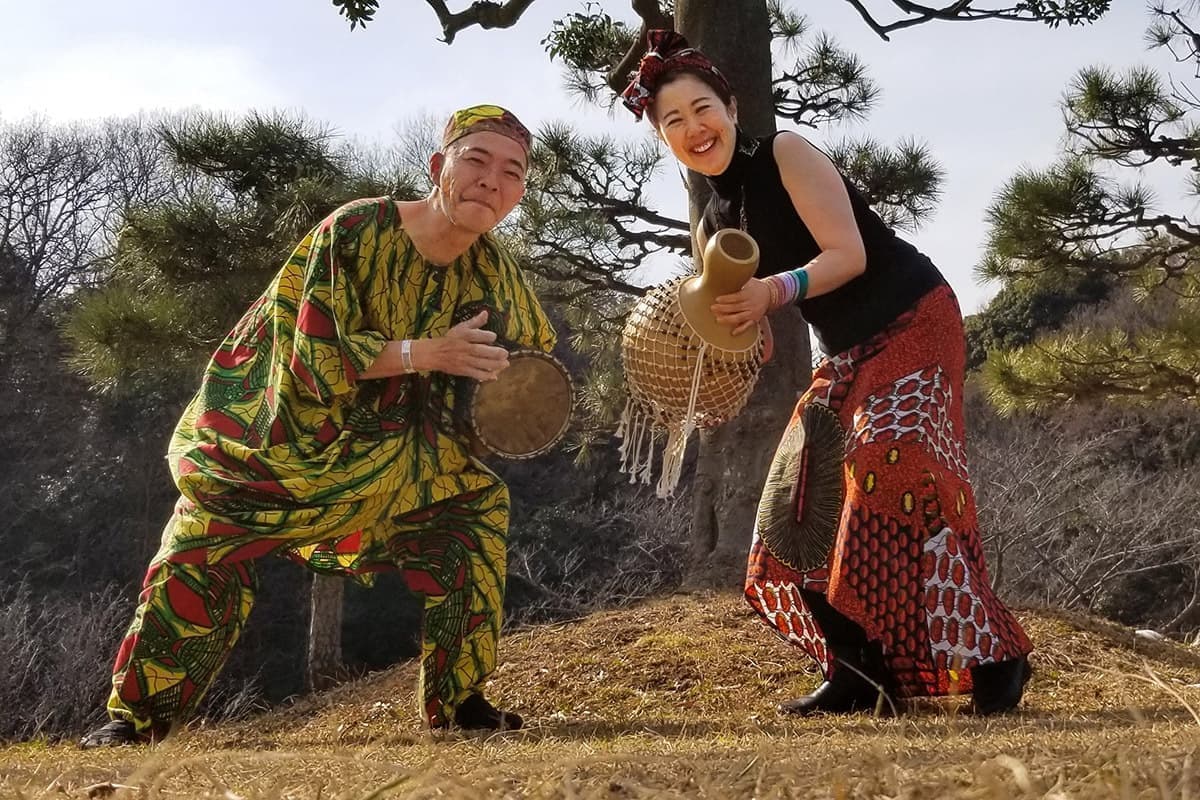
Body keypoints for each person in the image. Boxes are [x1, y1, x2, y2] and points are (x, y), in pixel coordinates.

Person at [79, 104, 556, 747]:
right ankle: (136, 719)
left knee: (475, 509)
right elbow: (314, 355)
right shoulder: (357, 230)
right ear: (438, 167)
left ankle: (460, 702)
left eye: (512, 172)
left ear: (519, 194)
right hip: (274, 439)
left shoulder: (494, 270)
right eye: (476, 160)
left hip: (394, 454)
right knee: (199, 550)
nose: (491, 181)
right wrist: (427, 352)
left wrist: (508, 390)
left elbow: (530, 363)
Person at [621, 32, 1033, 716]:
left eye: (702, 109)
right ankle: (859, 674)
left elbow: (847, 256)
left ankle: (997, 657)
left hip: (914, 319)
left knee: (889, 471)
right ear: (663, 137)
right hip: (843, 352)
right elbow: (750, 335)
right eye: (673, 121)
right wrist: (717, 370)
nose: (693, 128)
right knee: (797, 499)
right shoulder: (711, 224)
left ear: (731, 106)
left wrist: (772, 292)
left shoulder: (787, 153)